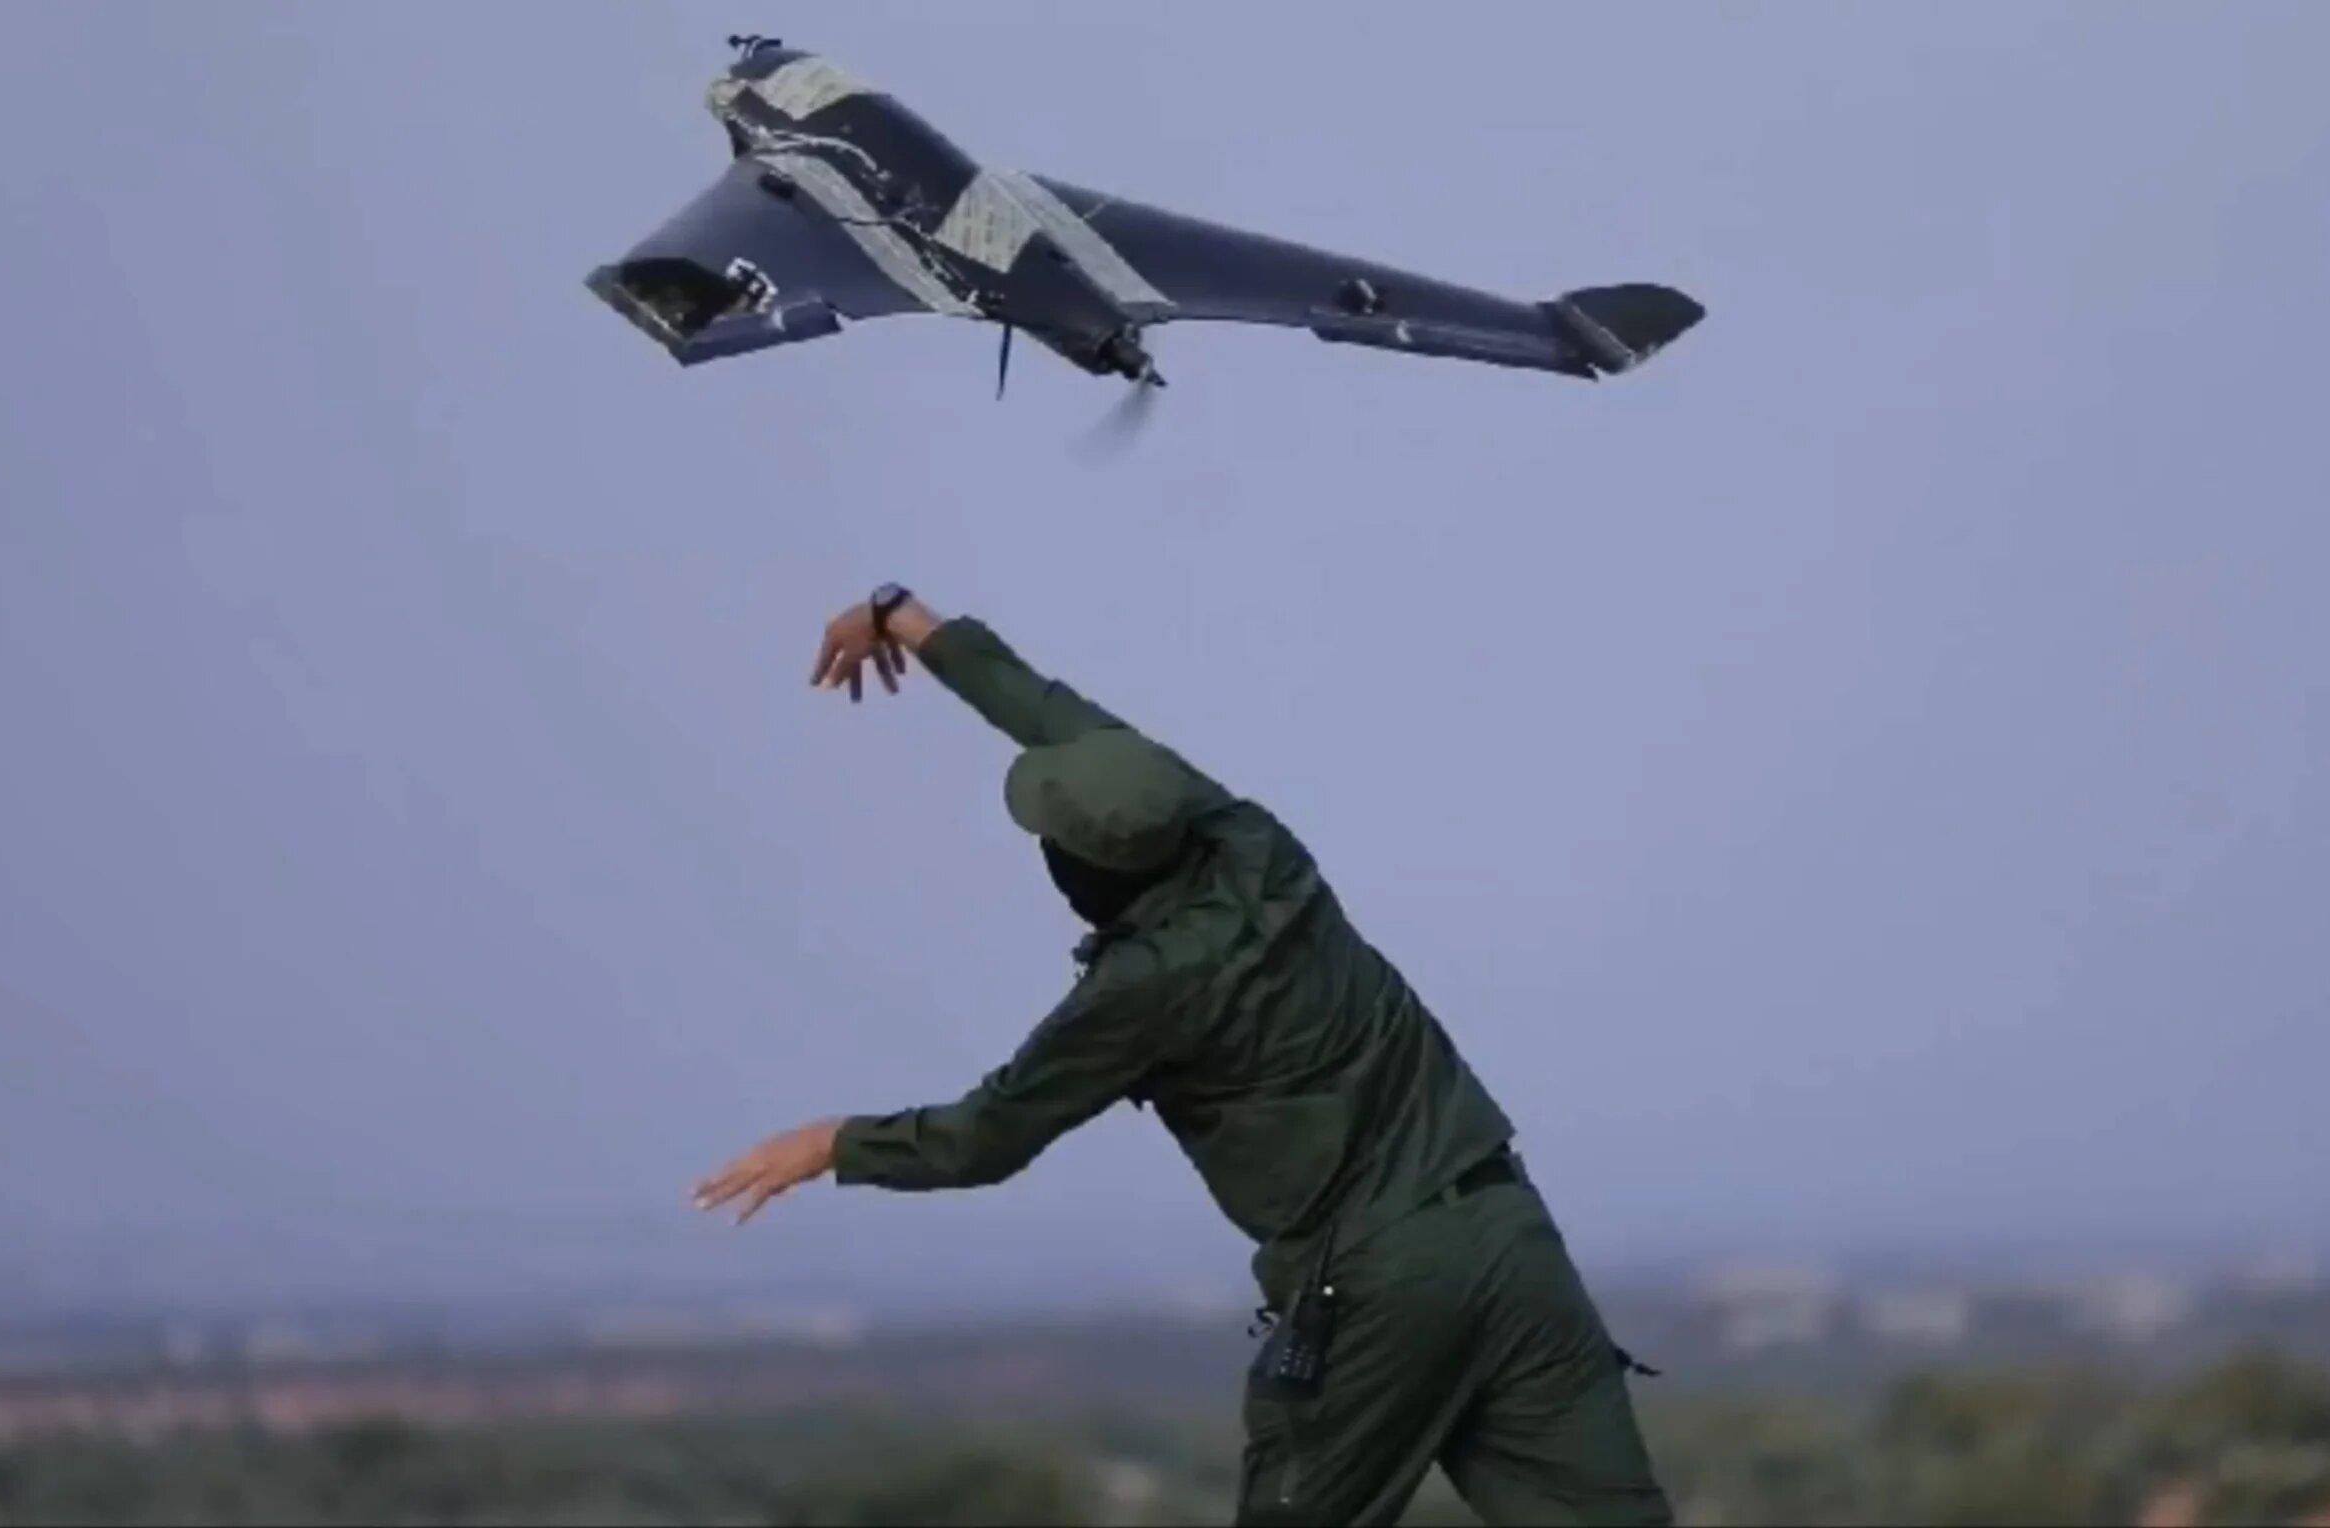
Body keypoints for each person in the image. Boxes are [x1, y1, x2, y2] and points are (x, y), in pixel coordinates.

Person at [695, 584, 1674, 1527]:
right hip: (1506, 1234)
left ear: (1075, 874)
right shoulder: (1248, 839)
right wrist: (901, 617)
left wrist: (833, 1144)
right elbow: (1054, 715)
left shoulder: (1137, 992)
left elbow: (984, 1137)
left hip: (1378, 1287)